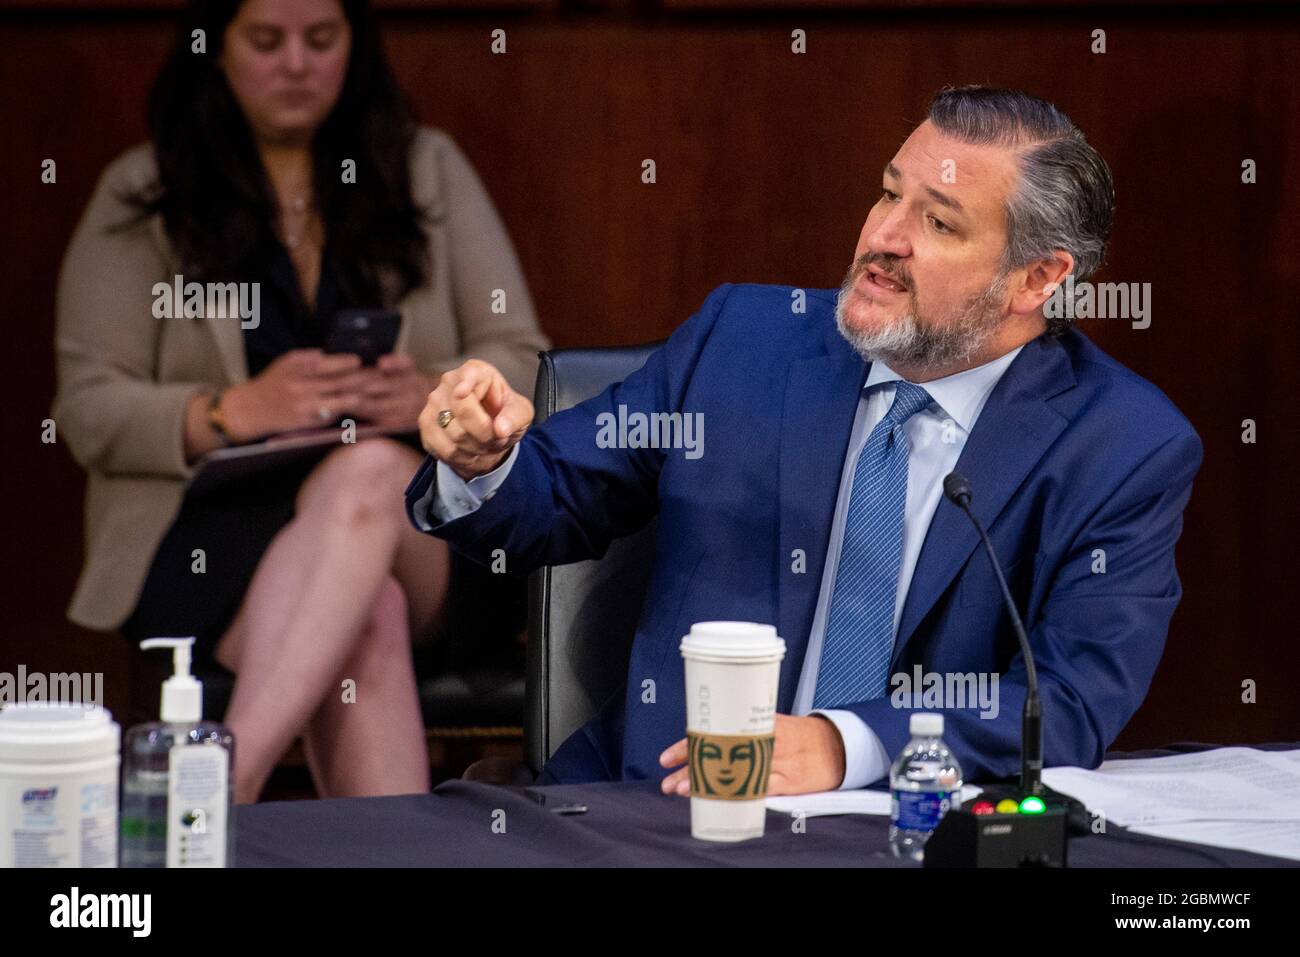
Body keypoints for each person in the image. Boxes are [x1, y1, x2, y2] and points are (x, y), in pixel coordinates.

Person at [405, 85, 1203, 794]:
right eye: (888, 194)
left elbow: (1068, 699)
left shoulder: (1121, 444)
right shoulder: (745, 342)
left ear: (1038, 279)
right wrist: (485, 461)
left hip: (909, 829)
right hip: (656, 811)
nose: (885, 236)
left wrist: (842, 745)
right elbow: (552, 494)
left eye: (938, 221)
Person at [54, 0, 548, 804]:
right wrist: (226, 411)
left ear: (356, 44)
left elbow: (522, 353)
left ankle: (217, 796)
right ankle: (379, 858)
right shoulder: (147, 191)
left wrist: (437, 394)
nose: (296, 63)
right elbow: (86, 405)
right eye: (266, 40)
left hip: (416, 522)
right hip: (219, 539)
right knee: (364, 615)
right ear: (214, 48)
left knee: (363, 475)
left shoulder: (425, 168)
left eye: (321, 40)